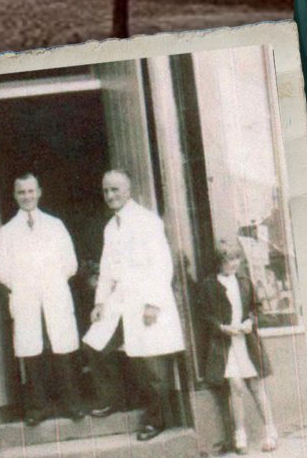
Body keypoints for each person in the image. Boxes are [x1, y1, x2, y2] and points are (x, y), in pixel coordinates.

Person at [83, 169, 186, 441]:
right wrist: (100, 302)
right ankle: (115, 398)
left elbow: (162, 263)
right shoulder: (110, 227)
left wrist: (154, 303)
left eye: (115, 189)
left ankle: (157, 420)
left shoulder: (146, 221)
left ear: (128, 190)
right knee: (96, 344)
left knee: (150, 364)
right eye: (106, 190)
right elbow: (106, 269)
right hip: (119, 300)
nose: (110, 195)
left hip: (146, 299)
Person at [0, 173, 86, 425]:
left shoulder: (55, 225)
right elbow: (2, 269)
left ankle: (72, 405)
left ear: (39, 192)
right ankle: (38, 408)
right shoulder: (7, 232)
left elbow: (70, 263)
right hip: (26, 298)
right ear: (15, 195)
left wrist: (50, 282)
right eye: (21, 192)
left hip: (54, 294)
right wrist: (24, 286)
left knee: (63, 350)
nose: (27, 196)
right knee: (31, 353)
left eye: (31, 191)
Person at [200, 238, 278, 454]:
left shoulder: (244, 282)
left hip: (246, 341)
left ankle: (270, 431)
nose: (233, 264)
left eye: (236, 259)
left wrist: (249, 322)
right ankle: (239, 435)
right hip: (225, 344)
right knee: (235, 387)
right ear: (219, 261)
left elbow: (256, 308)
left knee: (255, 385)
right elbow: (205, 316)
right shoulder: (209, 285)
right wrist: (222, 328)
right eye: (228, 260)